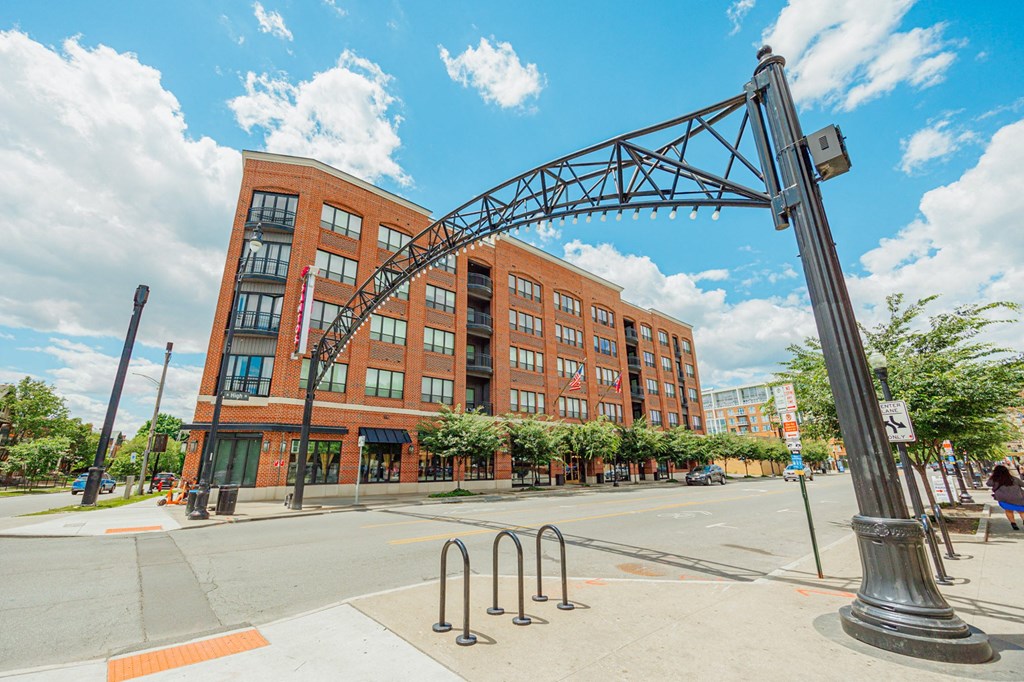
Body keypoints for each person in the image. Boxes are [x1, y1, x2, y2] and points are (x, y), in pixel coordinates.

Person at [986, 464, 1024, 530]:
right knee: (1021, 511)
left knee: (1009, 510)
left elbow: (988, 484)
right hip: (1018, 498)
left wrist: (992, 476)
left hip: (1004, 498)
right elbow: (1022, 484)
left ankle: (1013, 524)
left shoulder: (994, 480)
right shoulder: (1014, 479)